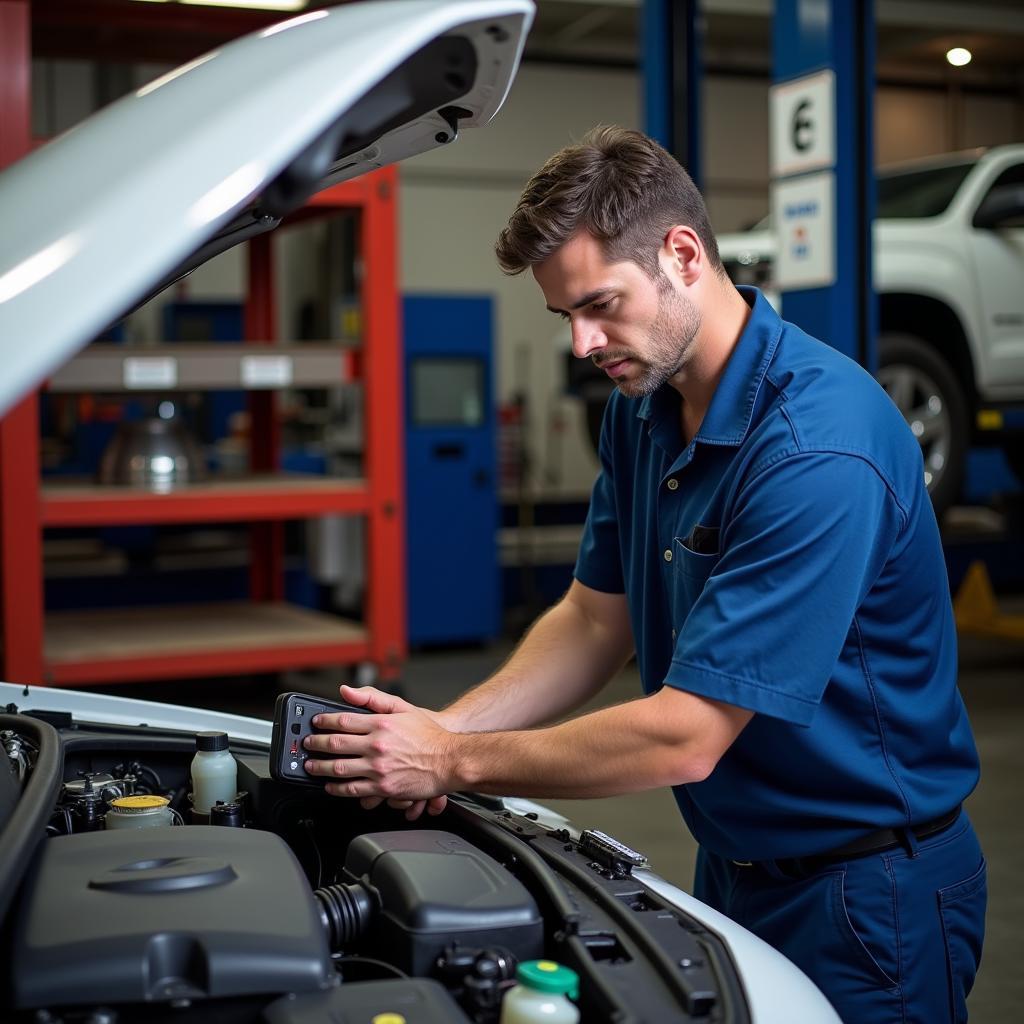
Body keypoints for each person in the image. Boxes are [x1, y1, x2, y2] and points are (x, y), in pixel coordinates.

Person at [303, 125, 986, 1023]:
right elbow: (594, 621)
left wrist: (453, 760)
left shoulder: (818, 448)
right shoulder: (646, 407)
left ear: (683, 252)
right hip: (736, 866)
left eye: (600, 305)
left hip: (867, 893)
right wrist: (439, 728)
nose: (584, 344)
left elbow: (686, 735)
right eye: (565, 318)